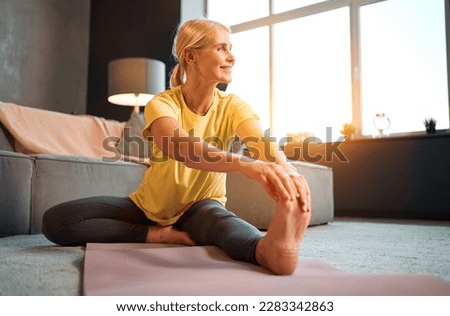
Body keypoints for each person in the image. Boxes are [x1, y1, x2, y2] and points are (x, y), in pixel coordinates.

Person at [42, 19, 311, 275]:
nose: (232, 57)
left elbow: (262, 144)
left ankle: (269, 250)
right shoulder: (163, 103)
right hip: (146, 208)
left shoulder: (233, 106)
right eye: (221, 48)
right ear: (191, 56)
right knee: (56, 221)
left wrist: (287, 171)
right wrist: (243, 163)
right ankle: (157, 234)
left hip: (200, 207)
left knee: (220, 222)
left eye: (231, 48)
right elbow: (181, 147)